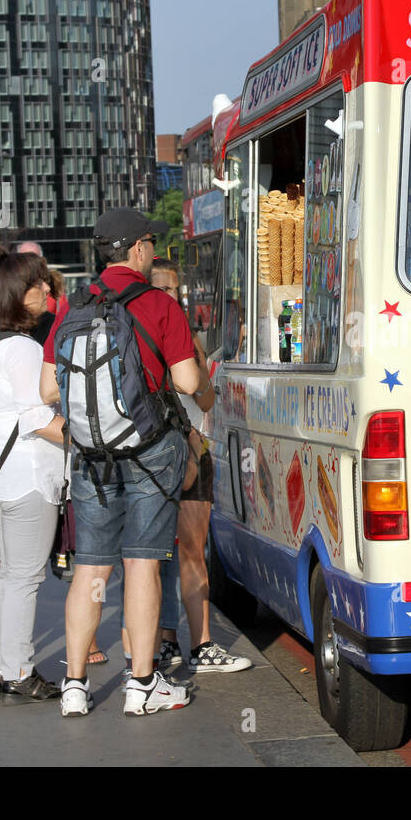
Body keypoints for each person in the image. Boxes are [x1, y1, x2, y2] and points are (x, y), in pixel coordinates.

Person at [41, 208, 201, 717]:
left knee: (91, 567)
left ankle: (73, 686)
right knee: (142, 563)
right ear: (136, 249)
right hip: (151, 453)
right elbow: (191, 384)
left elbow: (48, 389)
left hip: (91, 456)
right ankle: (141, 684)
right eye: (151, 242)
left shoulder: (74, 306)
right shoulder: (158, 303)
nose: (153, 250)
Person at [0, 251, 67, 704]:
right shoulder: (25, 349)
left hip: (6, 479)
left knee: (10, 574)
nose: (47, 290)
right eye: (37, 285)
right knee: (26, 577)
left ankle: (2, 665)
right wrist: (93, 438)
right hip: (31, 475)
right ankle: (21, 669)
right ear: (16, 295)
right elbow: (39, 418)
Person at [146, 258, 248, 673]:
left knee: (177, 553)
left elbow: (202, 398)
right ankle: (184, 643)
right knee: (168, 555)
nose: (172, 296)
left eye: (175, 289)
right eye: (164, 288)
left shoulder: (167, 334)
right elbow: (198, 392)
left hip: (175, 452)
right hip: (174, 451)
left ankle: (185, 643)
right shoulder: (167, 334)